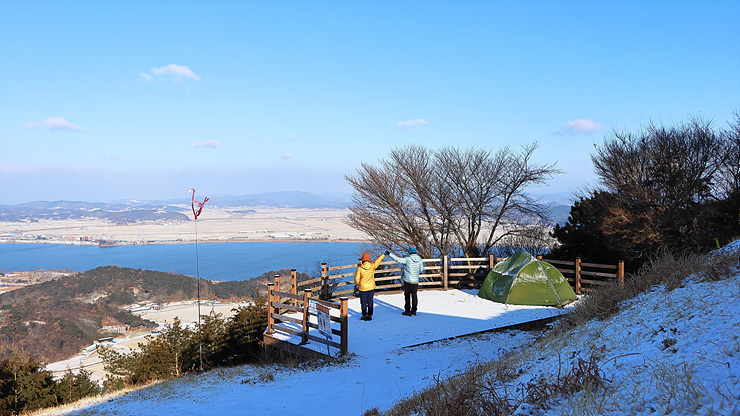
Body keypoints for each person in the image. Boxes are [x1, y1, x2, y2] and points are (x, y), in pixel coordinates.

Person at [386, 246, 424, 316]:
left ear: (409, 251)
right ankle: (414, 310)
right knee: (414, 295)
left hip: (407, 280)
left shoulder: (407, 259)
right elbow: (421, 269)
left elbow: (398, 260)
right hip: (415, 280)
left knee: (407, 296)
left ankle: (407, 311)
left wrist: (390, 254)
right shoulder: (419, 259)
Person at [353, 252, 385, 321]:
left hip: (363, 288)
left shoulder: (360, 268)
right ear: (368, 259)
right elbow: (378, 261)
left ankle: (364, 315)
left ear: (362, 260)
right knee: (370, 301)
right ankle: (370, 315)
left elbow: (356, 280)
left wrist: (358, 284)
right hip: (371, 287)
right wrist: (383, 255)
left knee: (363, 302)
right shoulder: (372, 266)